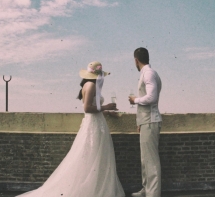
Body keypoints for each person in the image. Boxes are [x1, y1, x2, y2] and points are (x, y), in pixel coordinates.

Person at [16, 61, 125, 197]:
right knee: (92, 156)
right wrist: (106, 107)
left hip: (97, 123)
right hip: (94, 125)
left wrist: (108, 113)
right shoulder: (90, 85)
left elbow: (93, 107)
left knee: (95, 157)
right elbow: (87, 108)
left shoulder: (89, 85)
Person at [129, 47, 162, 197]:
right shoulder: (148, 73)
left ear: (136, 60)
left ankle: (152, 194)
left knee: (151, 161)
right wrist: (139, 122)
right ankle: (146, 190)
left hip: (150, 121)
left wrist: (135, 100)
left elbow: (151, 98)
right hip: (146, 122)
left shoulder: (148, 73)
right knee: (145, 160)